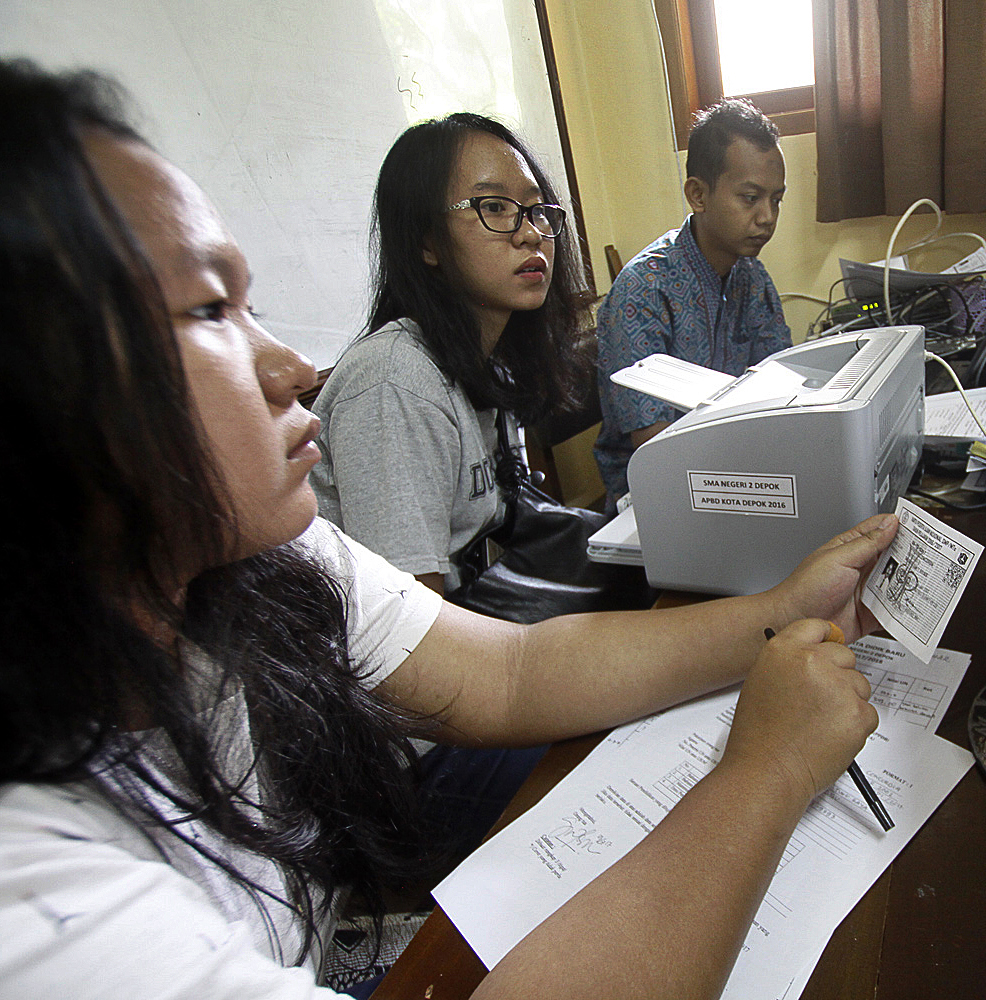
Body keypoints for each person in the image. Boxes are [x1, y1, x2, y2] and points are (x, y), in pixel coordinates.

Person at [0, 61, 898, 999]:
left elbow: (506, 673)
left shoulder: (262, 554)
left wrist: (783, 606)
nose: (292, 363)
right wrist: (767, 773)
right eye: (206, 309)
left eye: (537, 209)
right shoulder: (37, 910)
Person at [310, 113, 589, 596]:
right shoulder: (395, 382)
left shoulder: (492, 359)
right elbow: (409, 630)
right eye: (495, 207)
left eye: (537, 209)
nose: (530, 234)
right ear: (427, 243)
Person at [593, 99, 793, 506]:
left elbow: (782, 389)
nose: (767, 217)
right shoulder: (643, 289)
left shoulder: (752, 276)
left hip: (741, 470)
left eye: (776, 200)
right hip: (658, 490)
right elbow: (654, 443)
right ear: (698, 195)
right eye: (750, 197)